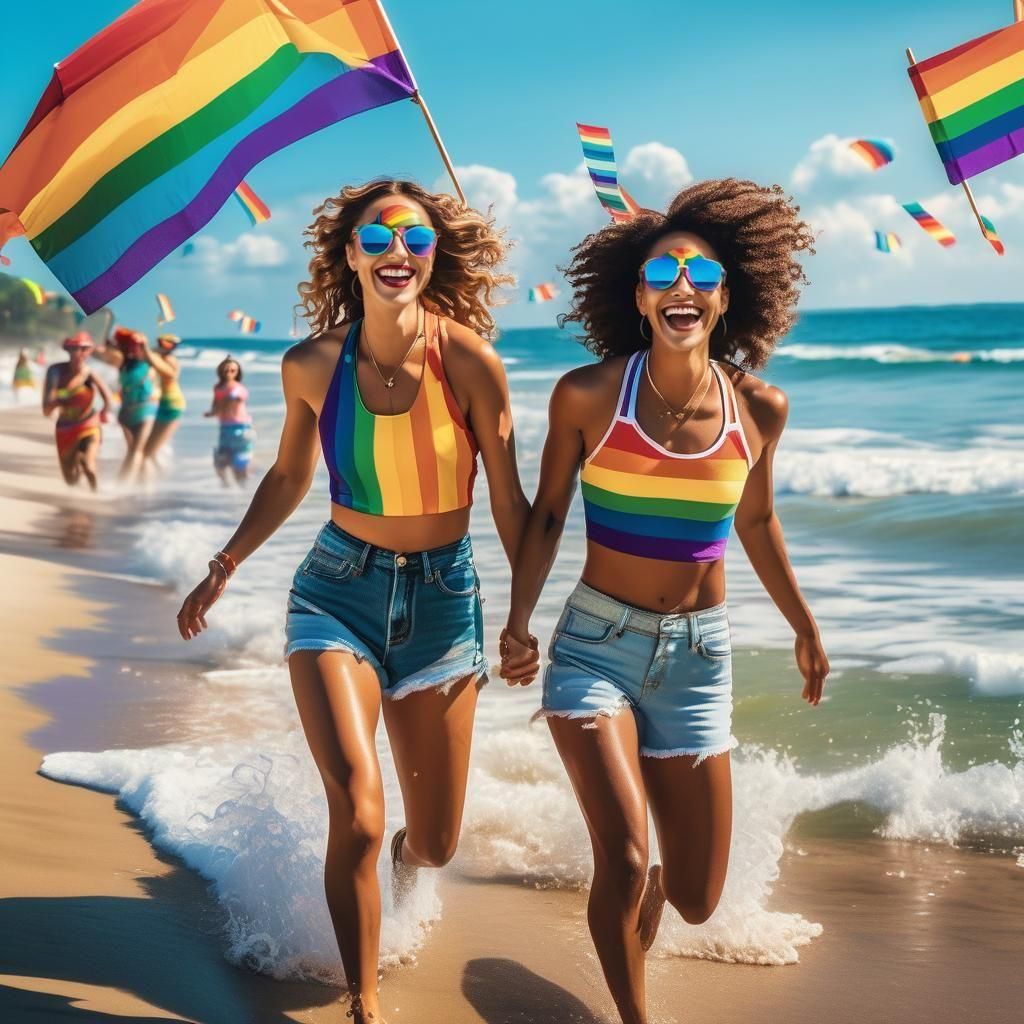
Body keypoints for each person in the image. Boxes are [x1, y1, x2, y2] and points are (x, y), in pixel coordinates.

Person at [176, 180, 528, 1024]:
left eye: (413, 238)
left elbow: (511, 501)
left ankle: (407, 872)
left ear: (434, 254)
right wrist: (225, 563)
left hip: (445, 604)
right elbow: (292, 473)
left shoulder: (470, 360)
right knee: (360, 816)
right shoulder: (310, 365)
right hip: (336, 594)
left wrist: (522, 617)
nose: (395, 253)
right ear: (350, 255)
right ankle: (364, 999)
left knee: (432, 841)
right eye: (377, 238)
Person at [500, 179, 830, 1024]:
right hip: (593, 646)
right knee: (621, 849)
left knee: (694, 896)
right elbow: (547, 513)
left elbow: (755, 520)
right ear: (639, 294)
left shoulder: (759, 408)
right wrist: (518, 620)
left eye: (702, 274)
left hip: (698, 658)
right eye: (662, 271)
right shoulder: (588, 393)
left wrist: (804, 626)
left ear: (726, 298)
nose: (681, 285)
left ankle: (648, 884)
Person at [42, 332, 113, 490]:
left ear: (89, 352)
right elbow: (47, 409)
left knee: (89, 466)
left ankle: (96, 497)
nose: (79, 353)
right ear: (67, 350)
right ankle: (79, 496)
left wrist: (104, 413)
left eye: (84, 349)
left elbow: (108, 397)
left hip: (89, 423)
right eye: (74, 349)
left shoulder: (90, 374)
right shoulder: (55, 371)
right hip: (65, 427)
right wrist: (75, 384)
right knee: (71, 479)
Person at [95, 327, 160, 482]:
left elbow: (101, 352)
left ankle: (132, 486)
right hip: (143, 410)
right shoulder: (146, 363)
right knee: (138, 452)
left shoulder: (122, 363)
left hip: (128, 411)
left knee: (135, 451)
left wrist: (109, 343)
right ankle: (127, 487)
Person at [205, 356, 255, 486]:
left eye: (233, 370)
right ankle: (227, 490)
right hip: (225, 428)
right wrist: (213, 411)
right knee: (221, 463)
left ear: (237, 372)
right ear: (221, 371)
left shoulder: (238, 389)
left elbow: (227, 403)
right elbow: (216, 405)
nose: (229, 373)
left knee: (239, 463)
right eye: (226, 370)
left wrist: (214, 412)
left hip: (241, 428)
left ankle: (244, 491)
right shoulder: (218, 387)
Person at [143, 333, 187, 470]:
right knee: (149, 451)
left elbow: (167, 373)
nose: (166, 347)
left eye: (170, 344)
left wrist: (148, 351)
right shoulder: (161, 357)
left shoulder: (169, 360)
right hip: (164, 403)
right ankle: (158, 479)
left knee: (148, 452)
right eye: (163, 343)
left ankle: (159, 480)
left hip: (172, 404)